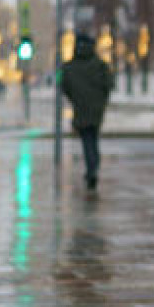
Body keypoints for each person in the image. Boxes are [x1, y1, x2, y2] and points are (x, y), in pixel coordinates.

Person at [61, 33, 111, 190]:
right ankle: (93, 168)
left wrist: (76, 98)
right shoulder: (100, 64)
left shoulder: (69, 67)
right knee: (93, 139)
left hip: (80, 107)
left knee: (87, 140)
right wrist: (101, 100)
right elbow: (108, 85)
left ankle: (91, 170)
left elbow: (64, 86)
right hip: (96, 109)